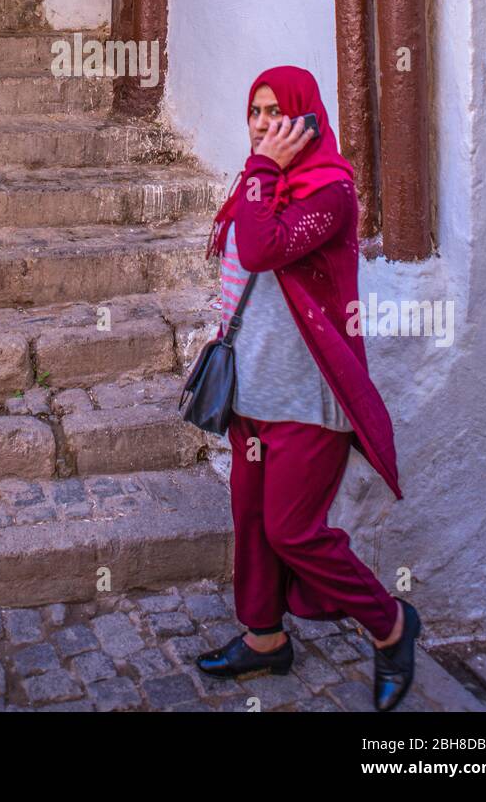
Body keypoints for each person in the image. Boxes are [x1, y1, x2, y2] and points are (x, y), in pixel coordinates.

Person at [194, 65, 421, 712]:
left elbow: (263, 249)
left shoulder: (329, 191)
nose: (262, 125)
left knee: (292, 530)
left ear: (307, 119)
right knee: (251, 521)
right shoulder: (260, 182)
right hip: (250, 388)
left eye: (276, 113)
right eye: (254, 112)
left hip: (308, 397)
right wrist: (261, 175)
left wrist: (263, 171)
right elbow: (239, 263)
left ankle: (391, 625)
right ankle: (263, 638)